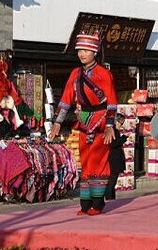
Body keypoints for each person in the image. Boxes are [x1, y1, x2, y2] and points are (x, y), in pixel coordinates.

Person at [49, 33, 117, 216]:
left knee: (99, 161)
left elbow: (111, 102)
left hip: (101, 121)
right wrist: (57, 123)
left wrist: (110, 125)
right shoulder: (75, 74)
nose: (82, 54)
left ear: (95, 51)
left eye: (86, 50)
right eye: (80, 50)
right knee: (86, 160)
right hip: (83, 120)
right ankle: (85, 204)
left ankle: (98, 203)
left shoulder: (104, 74)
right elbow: (65, 100)